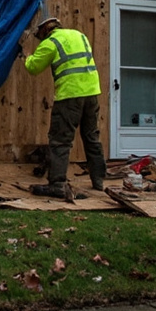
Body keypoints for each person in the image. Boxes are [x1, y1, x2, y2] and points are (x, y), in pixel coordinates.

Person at [22, 17, 107, 197]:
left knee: (60, 141)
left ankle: (57, 184)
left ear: (44, 30)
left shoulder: (50, 43)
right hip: (91, 93)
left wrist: (26, 56)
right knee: (92, 137)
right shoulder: (79, 35)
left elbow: (33, 68)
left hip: (69, 96)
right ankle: (99, 181)